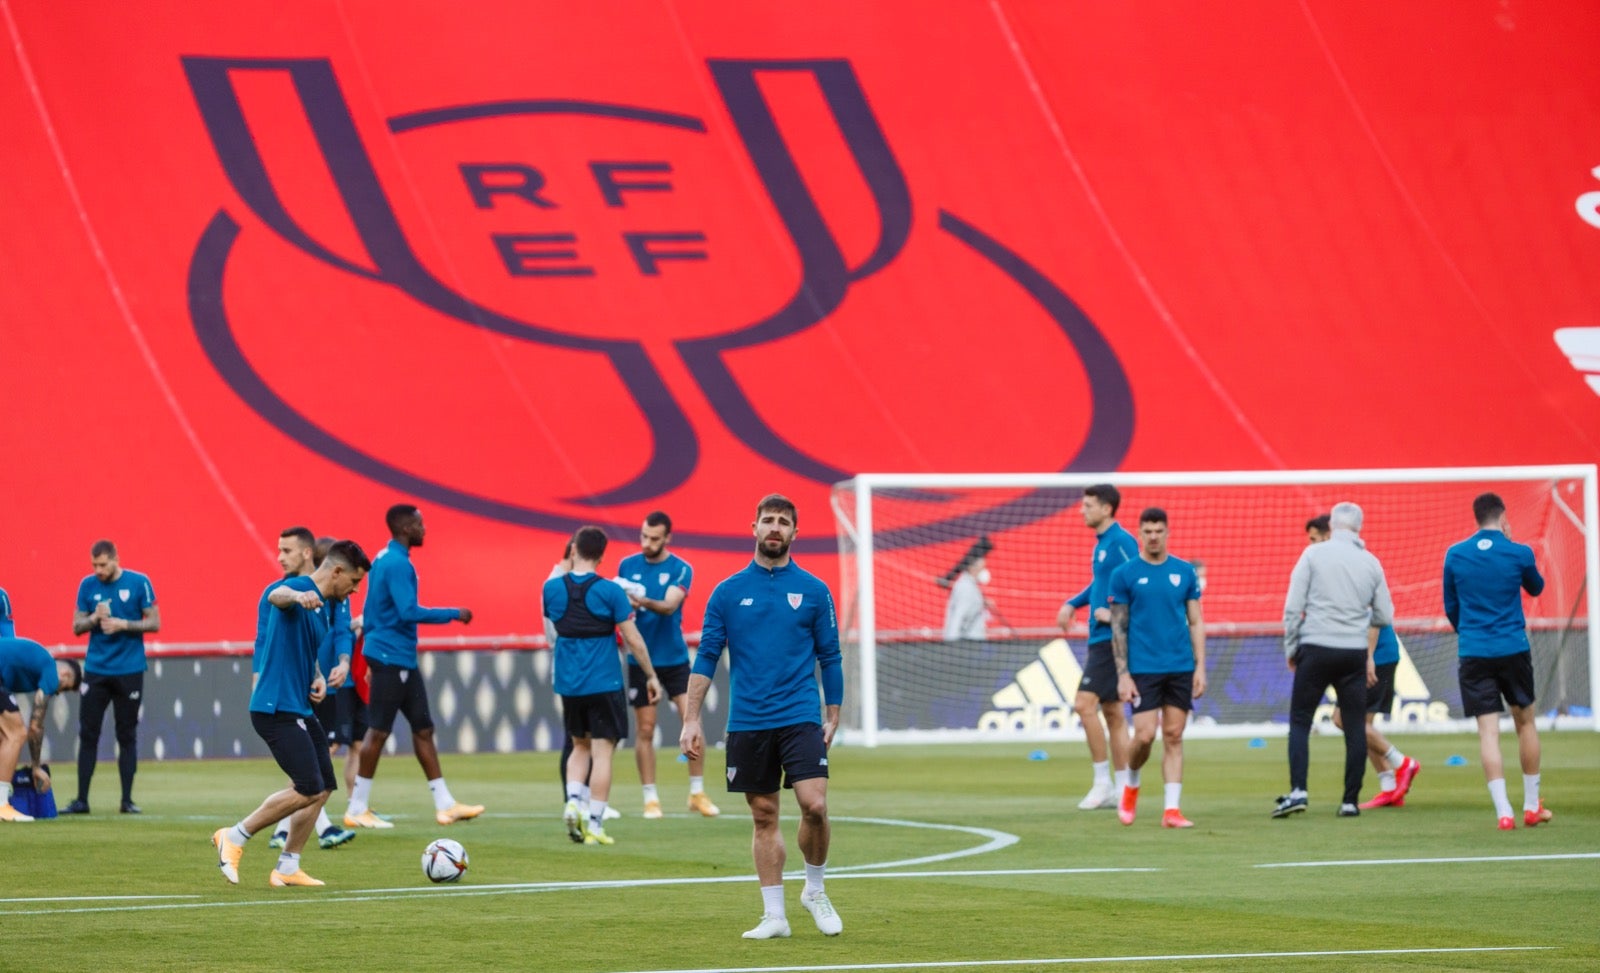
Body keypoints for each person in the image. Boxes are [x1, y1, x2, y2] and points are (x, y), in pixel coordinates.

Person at [680, 494, 845, 940]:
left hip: (800, 716)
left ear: (794, 532)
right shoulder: (727, 592)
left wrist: (833, 713)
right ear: (753, 528)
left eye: (783, 522)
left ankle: (814, 889)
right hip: (749, 721)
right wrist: (691, 719)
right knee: (764, 814)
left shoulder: (814, 591)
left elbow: (830, 656)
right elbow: (707, 657)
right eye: (768, 521)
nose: (775, 528)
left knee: (815, 805)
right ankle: (775, 915)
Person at [212, 540, 370, 886]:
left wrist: (315, 674)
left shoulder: (325, 606)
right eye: (355, 582)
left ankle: (288, 865)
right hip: (275, 708)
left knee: (324, 786)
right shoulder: (300, 589)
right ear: (338, 571)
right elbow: (275, 596)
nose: (355, 590)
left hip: (298, 706)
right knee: (308, 787)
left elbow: (305, 646)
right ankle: (235, 836)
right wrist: (297, 597)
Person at [344, 504, 482, 829]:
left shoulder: (384, 559)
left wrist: (370, 652)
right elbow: (407, 611)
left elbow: (373, 609)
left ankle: (445, 804)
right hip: (392, 656)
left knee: (423, 728)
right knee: (377, 731)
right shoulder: (396, 563)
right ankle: (356, 807)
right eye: (420, 523)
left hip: (396, 655)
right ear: (406, 529)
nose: (424, 529)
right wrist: (454, 613)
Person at [1276, 502, 1394, 819]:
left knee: (1301, 721)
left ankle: (1299, 791)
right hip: (1353, 652)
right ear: (1359, 527)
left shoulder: (1313, 555)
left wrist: (1292, 648)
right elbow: (1384, 614)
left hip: (1315, 646)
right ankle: (1349, 801)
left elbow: (1292, 607)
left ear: (1331, 525)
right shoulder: (1370, 562)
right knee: (1355, 726)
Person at [545, 526, 661, 845]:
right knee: (603, 751)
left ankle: (572, 801)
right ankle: (595, 824)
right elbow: (633, 639)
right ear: (601, 555)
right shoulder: (611, 592)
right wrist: (651, 675)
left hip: (569, 683)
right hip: (604, 680)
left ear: (574, 550)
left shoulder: (551, 589)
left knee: (578, 745)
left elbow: (555, 627)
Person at [1443, 492, 1549, 830]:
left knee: (1488, 732)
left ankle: (1504, 812)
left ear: (1476, 517)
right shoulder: (1519, 552)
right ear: (1503, 517)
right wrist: (1514, 545)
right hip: (1512, 648)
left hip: (1474, 651)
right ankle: (1532, 806)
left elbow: (1451, 606)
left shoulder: (1455, 554)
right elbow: (1537, 588)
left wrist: (1471, 633)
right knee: (1525, 723)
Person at [1301, 520, 1421, 809]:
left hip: (1375, 655)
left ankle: (1401, 762)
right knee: (1360, 723)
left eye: (1315, 539)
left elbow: (1373, 616)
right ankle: (1390, 787)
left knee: (1346, 720)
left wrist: (1367, 657)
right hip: (1370, 654)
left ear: (1329, 536)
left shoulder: (1349, 566)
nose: (1311, 545)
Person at [617, 511, 719, 820]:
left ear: (667, 538)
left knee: (692, 720)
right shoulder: (627, 565)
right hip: (640, 659)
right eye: (644, 536)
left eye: (654, 538)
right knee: (645, 729)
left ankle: (697, 792)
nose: (647, 543)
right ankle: (651, 798)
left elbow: (669, 606)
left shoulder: (680, 569)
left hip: (674, 659)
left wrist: (640, 599)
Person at [1107, 508, 1205, 828]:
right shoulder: (1124, 574)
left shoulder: (1185, 572)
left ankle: (1171, 811)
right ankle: (1131, 784)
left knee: (1174, 735)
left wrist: (1200, 667)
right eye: (1147, 531)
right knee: (1145, 736)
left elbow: (1195, 621)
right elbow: (1118, 628)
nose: (1153, 536)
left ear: (1167, 533)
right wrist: (1123, 674)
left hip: (1179, 666)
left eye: (1158, 531)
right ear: (1139, 533)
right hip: (1143, 668)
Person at [265, 531, 357, 851]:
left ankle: (282, 836)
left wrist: (331, 668)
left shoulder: (331, 597)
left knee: (315, 773)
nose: (279, 557)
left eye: (285, 550)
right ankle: (240, 833)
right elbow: (272, 605)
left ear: (306, 554)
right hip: (286, 695)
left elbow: (328, 637)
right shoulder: (292, 591)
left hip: (320, 687)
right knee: (311, 771)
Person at [1057, 484, 1139, 811]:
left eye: (1088, 505)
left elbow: (1139, 579)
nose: (1082, 510)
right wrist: (1073, 603)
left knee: (1083, 704)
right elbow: (1101, 584)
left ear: (1106, 509)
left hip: (1111, 639)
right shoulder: (1103, 544)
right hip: (1099, 638)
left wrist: (1116, 613)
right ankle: (1122, 788)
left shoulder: (1121, 542)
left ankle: (1102, 782)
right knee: (1113, 713)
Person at [66, 539, 159, 814]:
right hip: (96, 670)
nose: (98, 570)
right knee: (88, 733)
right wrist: (95, 618)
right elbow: (76, 626)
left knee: (126, 734)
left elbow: (154, 622)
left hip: (129, 670)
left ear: (116, 559)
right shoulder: (87, 585)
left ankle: (126, 801)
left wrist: (123, 624)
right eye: (94, 565)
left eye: (103, 565)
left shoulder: (139, 582)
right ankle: (82, 800)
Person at [0, 638, 82, 822]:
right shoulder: (51, 671)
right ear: (66, 675)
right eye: (62, 690)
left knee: (4, 736)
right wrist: (36, 767)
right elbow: (35, 727)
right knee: (16, 733)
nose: (56, 692)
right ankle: (1, 805)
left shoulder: (36, 659)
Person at [941, 536, 993, 643]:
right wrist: (950, 647)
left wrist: (982, 604)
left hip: (975, 643)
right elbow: (957, 619)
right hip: (969, 645)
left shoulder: (972, 586)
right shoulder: (965, 587)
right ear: (974, 567)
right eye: (982, 566)